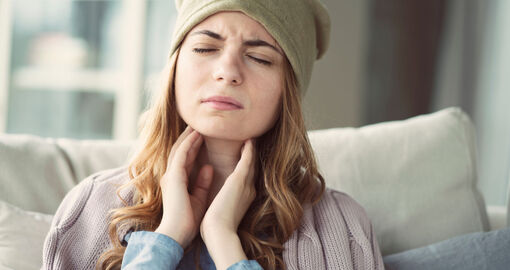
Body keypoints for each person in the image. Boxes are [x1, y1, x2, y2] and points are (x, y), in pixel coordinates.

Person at [42, 0, 384, 269]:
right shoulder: (89, 207)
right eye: (206, 48)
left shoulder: (343, 227)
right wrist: (168, 238)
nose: (227, 72)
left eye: (259, 57)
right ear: (175, 68)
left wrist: (224, 243)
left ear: (289, 93)